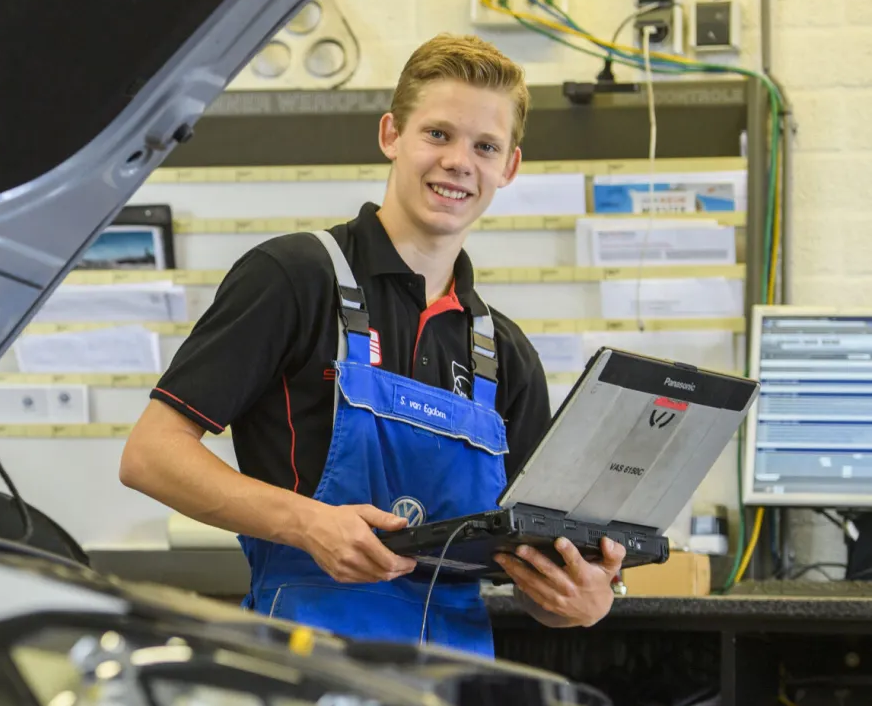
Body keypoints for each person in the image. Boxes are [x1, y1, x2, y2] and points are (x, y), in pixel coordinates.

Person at [118, 33, 625, 657]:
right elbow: (150, 455)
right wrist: (308, 523)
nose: (459, 161)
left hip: (455, 687)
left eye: (484, 146)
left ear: (508, 168)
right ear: (391, 135)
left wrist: (583, 600)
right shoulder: (295, 278)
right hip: (308, 665)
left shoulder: (507, 353)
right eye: (437, 134)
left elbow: (531, 565)